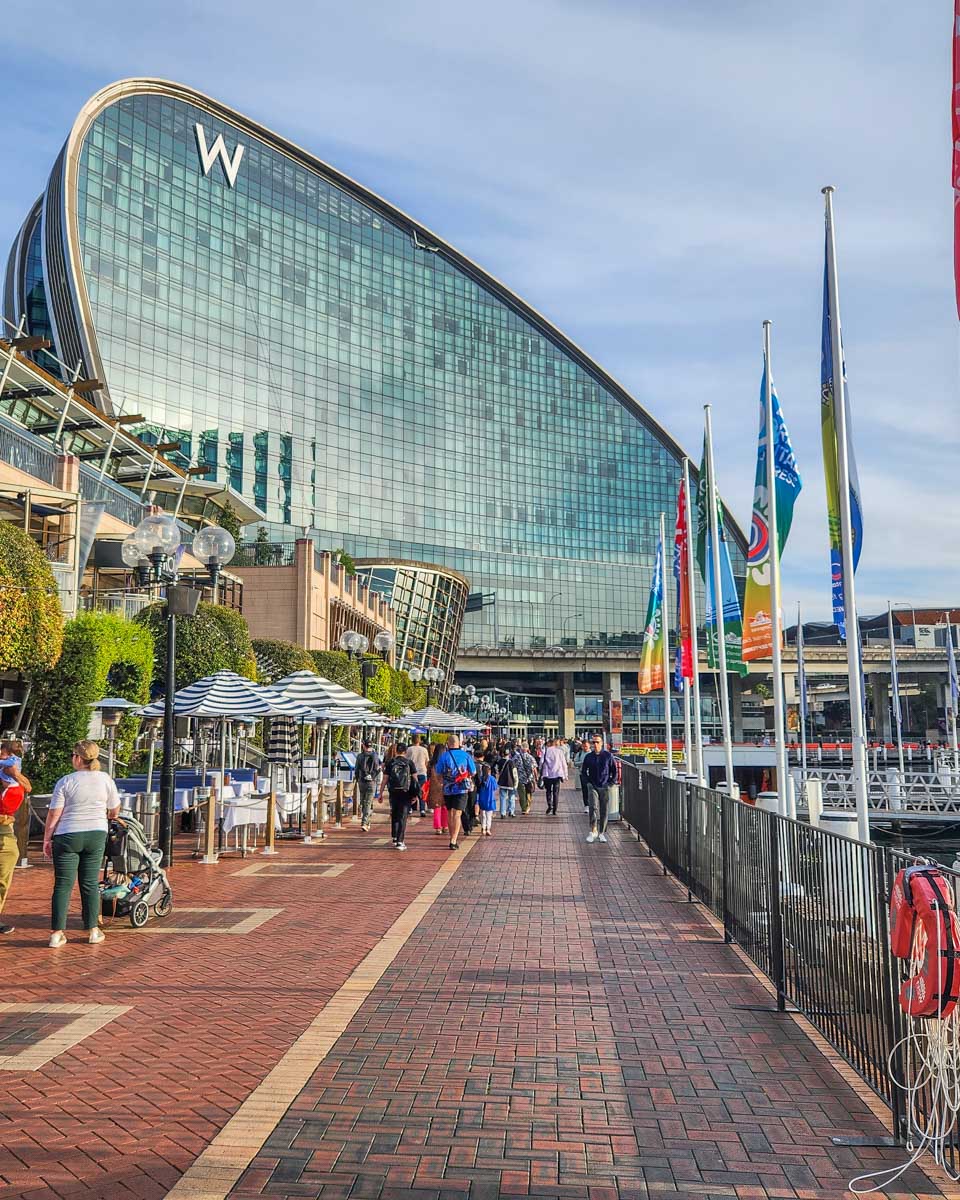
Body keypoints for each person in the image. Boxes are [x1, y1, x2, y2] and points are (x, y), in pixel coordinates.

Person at [44, 740, 121, 947]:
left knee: (63, 885)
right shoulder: (105, 779)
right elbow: (115, 810)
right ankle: (92, 930)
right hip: (96, 833)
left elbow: (54, 813)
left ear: (78, 758)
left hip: (68, 834)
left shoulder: (66, 781)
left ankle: (57, 933)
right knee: (89, 883)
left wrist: (47, 838)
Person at [0, 740, 31, 936]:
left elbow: (28, 787)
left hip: (5, 828)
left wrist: (15, 774)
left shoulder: (12, 774)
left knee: (7, 864)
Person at [435, 734, 477, 850]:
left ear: (448, 744)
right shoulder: (465, 755)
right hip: (461, 788)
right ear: (459, 743)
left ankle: (451, 837)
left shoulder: (444, 756)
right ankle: (453, 839)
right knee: (457, 813)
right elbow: (473, 772)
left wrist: (442, 783)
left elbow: (438, 773)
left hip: (448, 789)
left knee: (450, 813)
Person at [379, 742, 417, 850]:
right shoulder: (409, 763)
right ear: (405, 751)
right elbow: (415, 779)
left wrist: (381, 792)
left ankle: (395, 837)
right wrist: (415, 794)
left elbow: (385, 779)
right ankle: (400, 841)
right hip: (406, 792)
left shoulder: (391, 762)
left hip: (393, 791)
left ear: (396, 751)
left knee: (394, 813)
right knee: (403, 816)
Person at [582, 733, 618, 843]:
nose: (595, 744)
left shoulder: (608, 756)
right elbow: (584, 771)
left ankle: (602, 832)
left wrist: (611, 782)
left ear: (602, 743)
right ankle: (593, 830)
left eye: (597, 742)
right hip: (593, 785)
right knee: (593, 807)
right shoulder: (589, 756)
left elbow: (614, 771)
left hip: (604, 786)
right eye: (593, 742)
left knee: (604, 809)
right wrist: (587, 782)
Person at [354, 740, 380, 832]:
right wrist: (373, 777)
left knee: (363, 802)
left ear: (363, 746)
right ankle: (366, 822)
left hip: (362, 781)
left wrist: (357, 779)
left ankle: (365, 822)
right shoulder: (375, 755)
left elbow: (356, 769)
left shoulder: (360, 756)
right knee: (369, 802)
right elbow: (378, 768)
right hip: (372, 782)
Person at [541, 737, 568, 815]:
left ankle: (549, 805)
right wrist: (565, 775)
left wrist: (541, 772)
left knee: (548, 791)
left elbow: (541, 762)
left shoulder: (545, 751)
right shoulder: (559, 751)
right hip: (557, 774)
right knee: (556, 792)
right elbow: (563, 763)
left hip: (547, 774)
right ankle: (555, 809)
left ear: (549, 744)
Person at [406, 735, 430, 815]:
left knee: (410, 790)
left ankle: (410, 808)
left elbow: (407, 761)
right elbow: (427, 761)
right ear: (419, 741)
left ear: (412, 740)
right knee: (422, 791)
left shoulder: (409, 749)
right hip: (422, 772)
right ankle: (422, 809)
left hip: (412, 773)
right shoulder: (424, 750)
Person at [427, 743, 448, 836]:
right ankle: (445, 825)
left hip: (434, 786)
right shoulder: (446, 762)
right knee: (445, 806)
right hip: (445, 785)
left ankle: (438, 827)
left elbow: (428, 774)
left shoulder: (431, 763)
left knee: (437, 807)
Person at [515, 740, 538, 815]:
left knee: (521, 793)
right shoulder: (531, 757)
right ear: (528, 749)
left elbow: (513, 767)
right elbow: (534, 769)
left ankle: (523, 808)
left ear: (521, 748)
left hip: (520, 778)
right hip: (529, 778)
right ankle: (528, 806)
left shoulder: (517, 757)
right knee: (529, 792)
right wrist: (536, 777)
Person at [475, 762, 498, 836]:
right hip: (490, 799)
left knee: (483, 815)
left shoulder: (481, 779)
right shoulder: (492, 779)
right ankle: (488, 829)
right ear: (489, 771)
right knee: (489, 815)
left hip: (482, 799)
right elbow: (495, 788)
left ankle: (483, 828)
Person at [496, 743, 519, 818]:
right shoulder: (511, 762)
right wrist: (516, 783)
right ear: (509, 754)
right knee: (511, 797)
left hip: (502, 782)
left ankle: (503, 813)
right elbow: (514, 773)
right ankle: (511, 811)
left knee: (502, 797)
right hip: (510, 782)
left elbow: (497, 770)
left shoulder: (500, 762)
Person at [572, 739, 591, 814]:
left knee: (592, 790)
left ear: (589, 746)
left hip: (592, 774)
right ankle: (586, 805)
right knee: (585, 790)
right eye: (583, 746)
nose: (585, 747)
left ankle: (592, 805)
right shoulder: (580, 753)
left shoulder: (592, 753)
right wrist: (582, 763)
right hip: (583, 774)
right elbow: (575, 763)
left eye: (586, 746)